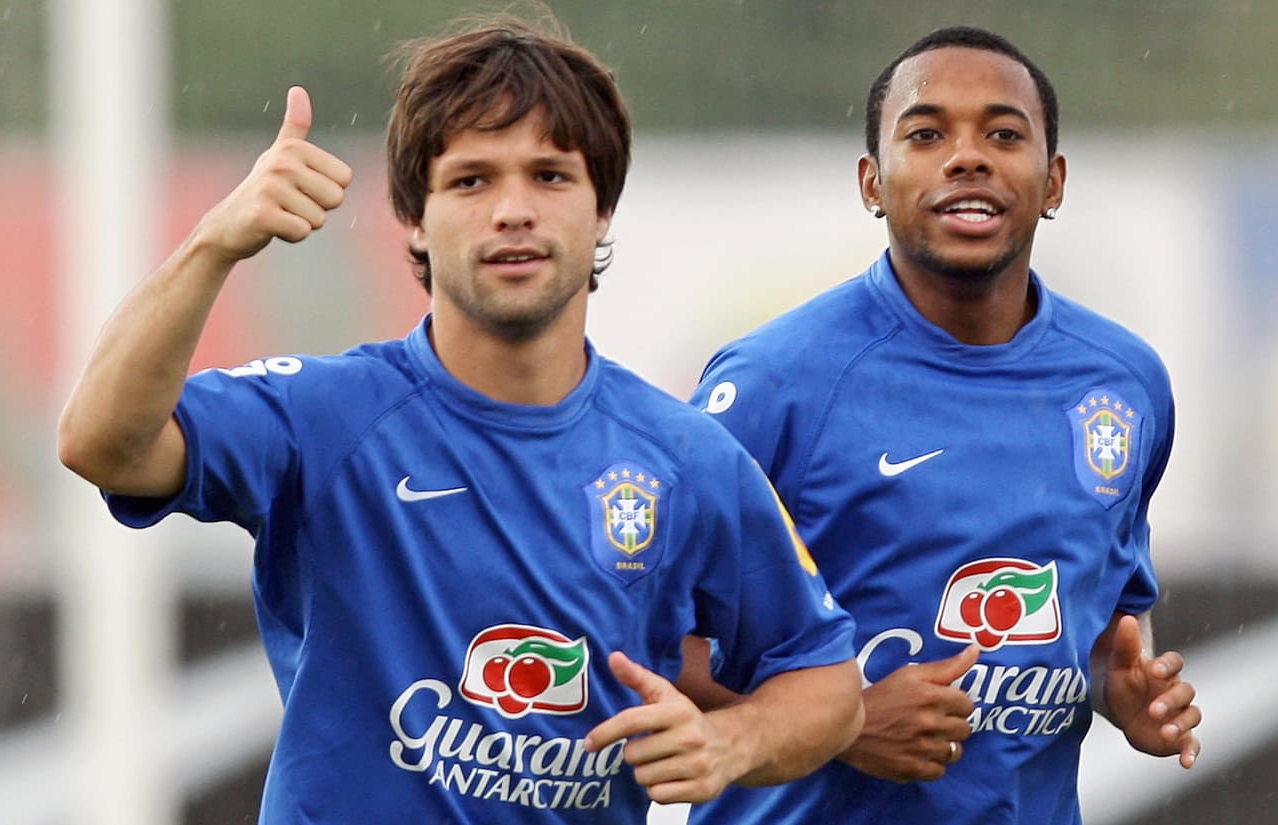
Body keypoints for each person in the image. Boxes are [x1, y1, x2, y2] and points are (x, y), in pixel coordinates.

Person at [55, 14, 864, 824]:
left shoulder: (688, 459)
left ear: (602, 211)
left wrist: (733, 744)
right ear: (415, 217)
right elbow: (102, 443)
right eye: (472, 180)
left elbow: (826, 682)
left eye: (550, 176)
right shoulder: (327, 416)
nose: (513, 210)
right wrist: (214, 246)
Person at [682, 25, 1202, 825]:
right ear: (872, 181)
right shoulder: (772, 383)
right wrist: (843, 720)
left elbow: (1106, 616)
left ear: (1054, 181)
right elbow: (652, 637)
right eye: (926, 135)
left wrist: (1122, 690)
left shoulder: (1124, 383)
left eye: (1003, 133)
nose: (968, 156)